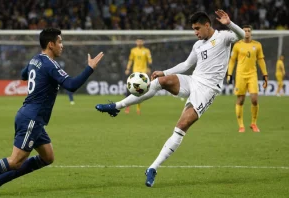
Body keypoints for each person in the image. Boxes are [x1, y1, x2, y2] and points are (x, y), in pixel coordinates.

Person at [95, 10, 245, 187]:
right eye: (193, 30)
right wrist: (164, 72)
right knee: (161, 81)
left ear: (207, 25)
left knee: (181, 127)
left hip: (208, 90)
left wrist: (229, 23)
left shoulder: (224, 37)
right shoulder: (198, 46)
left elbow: (241, 35)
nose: (195, 33)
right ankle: (116, 106)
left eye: (197, 28)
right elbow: (187, 65)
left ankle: (153, 168)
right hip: (193, 80)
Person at [0, 28, 104, 197]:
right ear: (51, 44)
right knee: (15, 161)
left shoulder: (35, 59)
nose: (62, 45)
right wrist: (90, 68)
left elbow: (24, 75)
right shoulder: (50, 64)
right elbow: (72, 85)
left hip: (32, 117)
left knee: (47, 157)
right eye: (60, 42)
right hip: (32, 117)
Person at [227, 25, 268, 133]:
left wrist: (265, 74)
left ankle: (253, 124)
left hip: (252, 75)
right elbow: (232, 60)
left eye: (249, 31)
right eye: (245, 31)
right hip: (240, 75)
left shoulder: (257, 45)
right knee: (240, 100)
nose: (247, 33)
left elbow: (261, 60)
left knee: (254, 99)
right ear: (242, 32)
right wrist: (229, 74)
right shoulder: (237, 45)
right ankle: (241, 126)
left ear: (251, 32)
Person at [124, 38, 152, 114]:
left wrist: (149, 68)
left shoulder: (146, 51)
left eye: (140, 41)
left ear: (143, 42)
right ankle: (127, 106)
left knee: (141, 90)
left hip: (143, 73)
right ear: (136, 42)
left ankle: (138, 109)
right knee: (129, 89)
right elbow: (130, 60)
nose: (139, 42)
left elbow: (150, 61)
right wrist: (127, 68)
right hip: (135, 73)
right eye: (138, 41)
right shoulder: (133, 50)